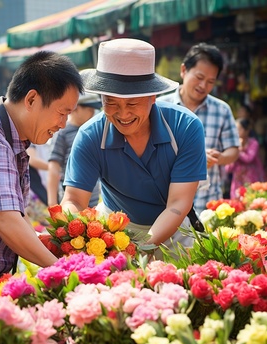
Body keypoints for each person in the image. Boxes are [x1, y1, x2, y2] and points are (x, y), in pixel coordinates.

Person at [60, 38, 207, 256]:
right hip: (114, 231)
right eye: (110, 102)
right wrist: (79, 236)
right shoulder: (91, 135)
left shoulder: (185, 127)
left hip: (173, 228)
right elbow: (74, 199)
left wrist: (140, 249)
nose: (123, 114)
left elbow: (178, 203)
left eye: (132, 103)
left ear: (153, 96)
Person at [0, 50, 83, 287]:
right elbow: (6, 220)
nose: (62, 125)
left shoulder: (11, 135)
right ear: (31, 100)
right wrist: (63, 272)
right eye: (62, 113)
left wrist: (50, 243)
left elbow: (15, 215)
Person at [159, 42, 240, 214]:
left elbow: (233, 150)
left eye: (211, 81)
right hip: (164, 202)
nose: (203, 86)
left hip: (208, 204)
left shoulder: (221, 109)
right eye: (199, 77)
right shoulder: (160, 106)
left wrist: (218, 158)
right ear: (183, 70)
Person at [47, 92, 102, 207]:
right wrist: (52, 202)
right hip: (71, 200)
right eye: (90, 109)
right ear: (75, 108)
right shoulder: (62, 132)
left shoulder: (93, 132)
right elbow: (54, 166)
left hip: (94, 199)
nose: (93, 113)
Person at [225, 118, 265, 199]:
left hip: (251, 182)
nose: (236, 132)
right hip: (237, 183)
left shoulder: (253, 143)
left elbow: (248, 159)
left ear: (247, 130)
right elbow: (228, 168)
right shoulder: (232, 145)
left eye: (239, 129)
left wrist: (238, 150)